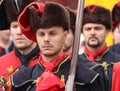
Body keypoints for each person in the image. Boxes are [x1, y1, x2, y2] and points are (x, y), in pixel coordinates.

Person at [11, 2, 109, 91]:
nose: (46, 39)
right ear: (36, 36)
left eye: (52, 33)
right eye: (41, 34)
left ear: (65, 35)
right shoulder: (20, 80)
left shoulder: (90, 78)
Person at [0, 0, 40, 91]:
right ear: (9, 30)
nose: (19, 32)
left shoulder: (48, 62)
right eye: (15, 26)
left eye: (24, 25)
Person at [79, 5, 120, 89]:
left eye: (97, 28)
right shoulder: (74, 63)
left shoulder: (118, 61)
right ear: (82, 32)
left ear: (107, 31)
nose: (92, 32)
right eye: (88, 29)